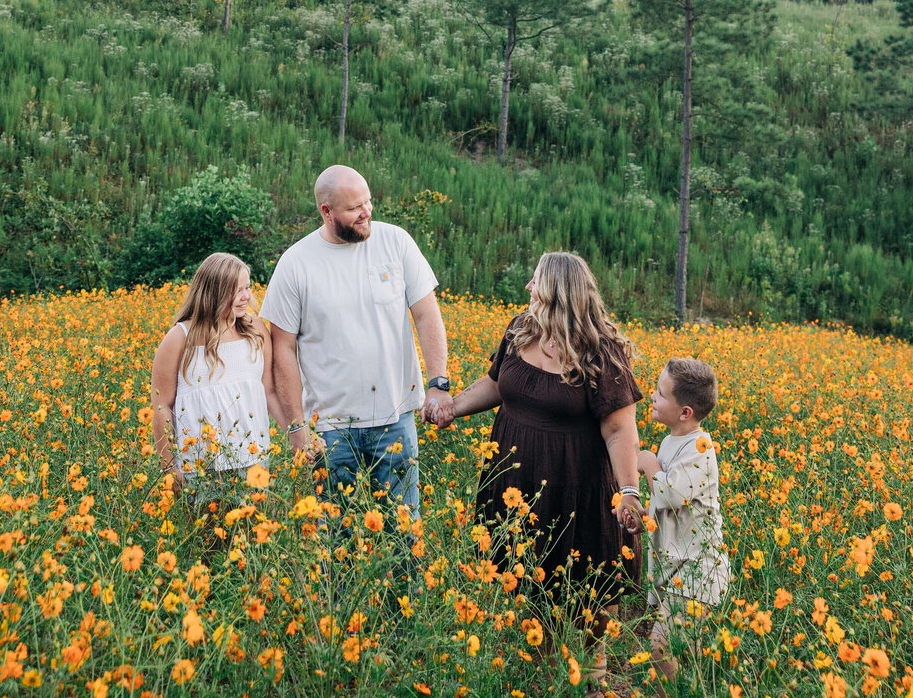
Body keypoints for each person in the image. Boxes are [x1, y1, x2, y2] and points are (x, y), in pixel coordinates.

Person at [443, 252, 644, 681]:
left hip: (578, 482)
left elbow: (619, 430)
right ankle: (548, 659)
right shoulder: (521, 329)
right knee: (532, 570)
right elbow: (496, 384)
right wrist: (452, 407)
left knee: (591, 574)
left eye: (536, 282)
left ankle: (594, 666)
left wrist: (629, 490)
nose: (529, 289)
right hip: (519, 477)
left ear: (558, 293)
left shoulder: (599, 352)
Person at [262, 164, 452, 519]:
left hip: (395, 419)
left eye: (368, 202)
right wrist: (297, 428)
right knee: (337, 541)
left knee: (404, 535)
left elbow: (427, 315)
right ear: (326, 211)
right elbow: (282, 349)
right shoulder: (295, 264)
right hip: (330, 431)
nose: (367, 212)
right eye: (354, 208)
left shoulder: (396, 242)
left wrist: (438, 382)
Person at [150, 252, 285, 515]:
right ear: (212, 292)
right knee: (207, 547)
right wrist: (169, 468)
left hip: (253, 460)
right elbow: (161, 406)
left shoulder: (256, 330)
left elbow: (269, 391)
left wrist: (296, 433)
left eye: (247, 287)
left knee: (253, 543)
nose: (246, 296)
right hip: (200, 467)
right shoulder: (179, 338)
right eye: (237, 290)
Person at [637, 357, 731, 679]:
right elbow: (667, 506)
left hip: (699, 571)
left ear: (685, 412)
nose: (652, 396)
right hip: (675, 568)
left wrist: (648, 465)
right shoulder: (669, 441)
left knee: (661, 648)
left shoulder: (702, 449)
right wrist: (643, 518)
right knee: (676, 652)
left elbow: (673, 495)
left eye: (661, 393)